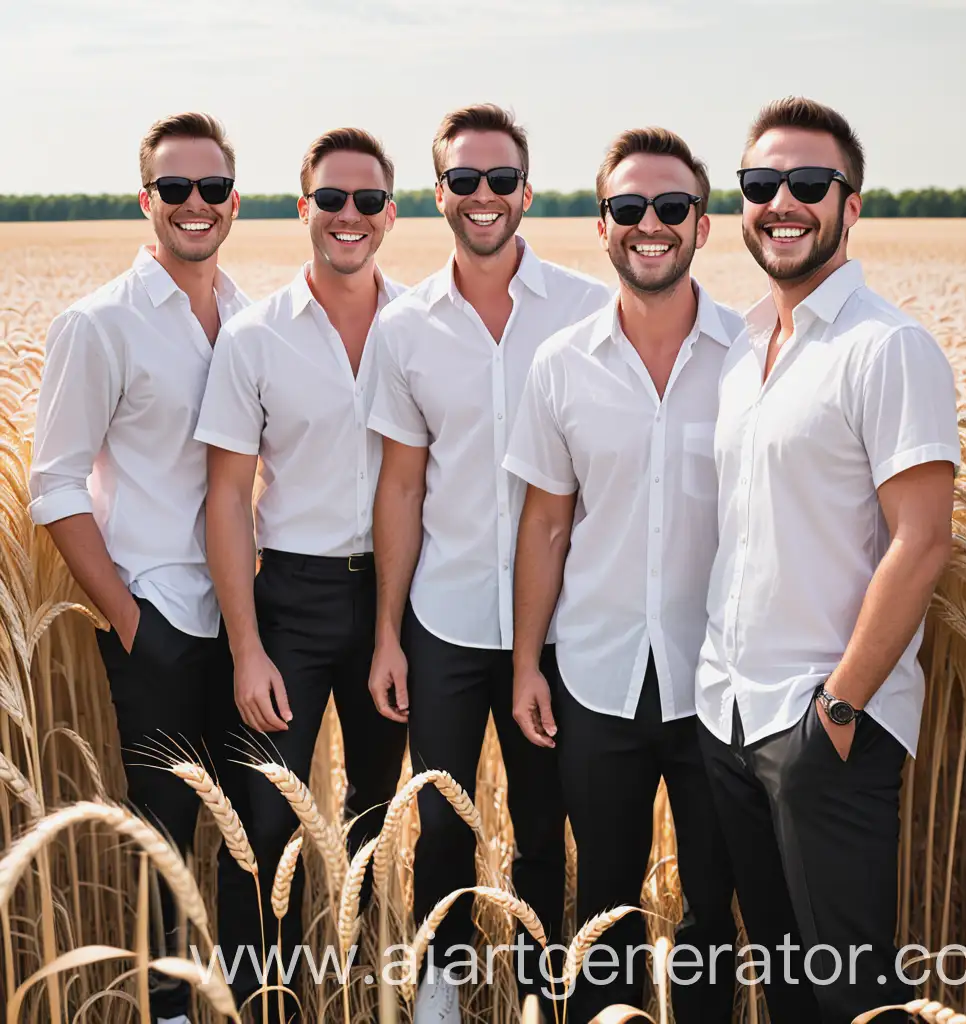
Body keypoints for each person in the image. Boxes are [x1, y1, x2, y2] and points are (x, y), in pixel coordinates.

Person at [696, 96, 960, 1024]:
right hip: (729, 715)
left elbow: (923, 539)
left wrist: (837, 712)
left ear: (852, 204)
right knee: (785, 992)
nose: (783, 202)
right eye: (763, 184)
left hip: (824, 730)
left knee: (851, 996)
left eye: (810, 184)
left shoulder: (888, 348)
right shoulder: (743, 353)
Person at [366, 103, 611, 1023]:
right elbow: (399, 490)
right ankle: (442, 993)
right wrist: (388, 634)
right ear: (439, 196)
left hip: (557, 628)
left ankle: (549, 991)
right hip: (445, 620)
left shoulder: (590, 311)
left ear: (526, 194)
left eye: (500, 180)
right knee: (438, 825)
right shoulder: (406, 329)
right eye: (464, 181)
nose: (483, 197)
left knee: (548, 827)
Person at [504, 127, 740, 1023]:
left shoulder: (752, 358)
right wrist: (528, 664)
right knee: (605, 903)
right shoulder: (560, 366)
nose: (651, 224)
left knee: (713, 904)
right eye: (629, 207)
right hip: (596, 677)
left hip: (719, 681)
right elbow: (547, 523)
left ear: (702, 226)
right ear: (601, 225)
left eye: (671, 207)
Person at [28, 112, 256, 1024]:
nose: (193, 205)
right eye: (174, 189)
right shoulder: (99, 325)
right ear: (146, 200)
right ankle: (168, 1012)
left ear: (234, 201)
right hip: (159, 620)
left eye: (210, 189)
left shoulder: (248, 318)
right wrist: (130, 622)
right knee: (165, 845)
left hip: (248, 625)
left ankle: (249, 1000)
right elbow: (51, 487)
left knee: (255, 839)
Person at [195, 128, 408, 1018]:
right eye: (331, 199)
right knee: (260, 822)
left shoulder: (417, 328)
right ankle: (257, 1000)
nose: (348, 216)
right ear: (303, 209)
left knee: (370, 817)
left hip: (395, 601)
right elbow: (225, 498)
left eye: (366, 201)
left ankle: (360, 991)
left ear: (391, 214)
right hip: (289, 598)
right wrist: (245, 646)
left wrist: (393, 627)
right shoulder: (254, 338)